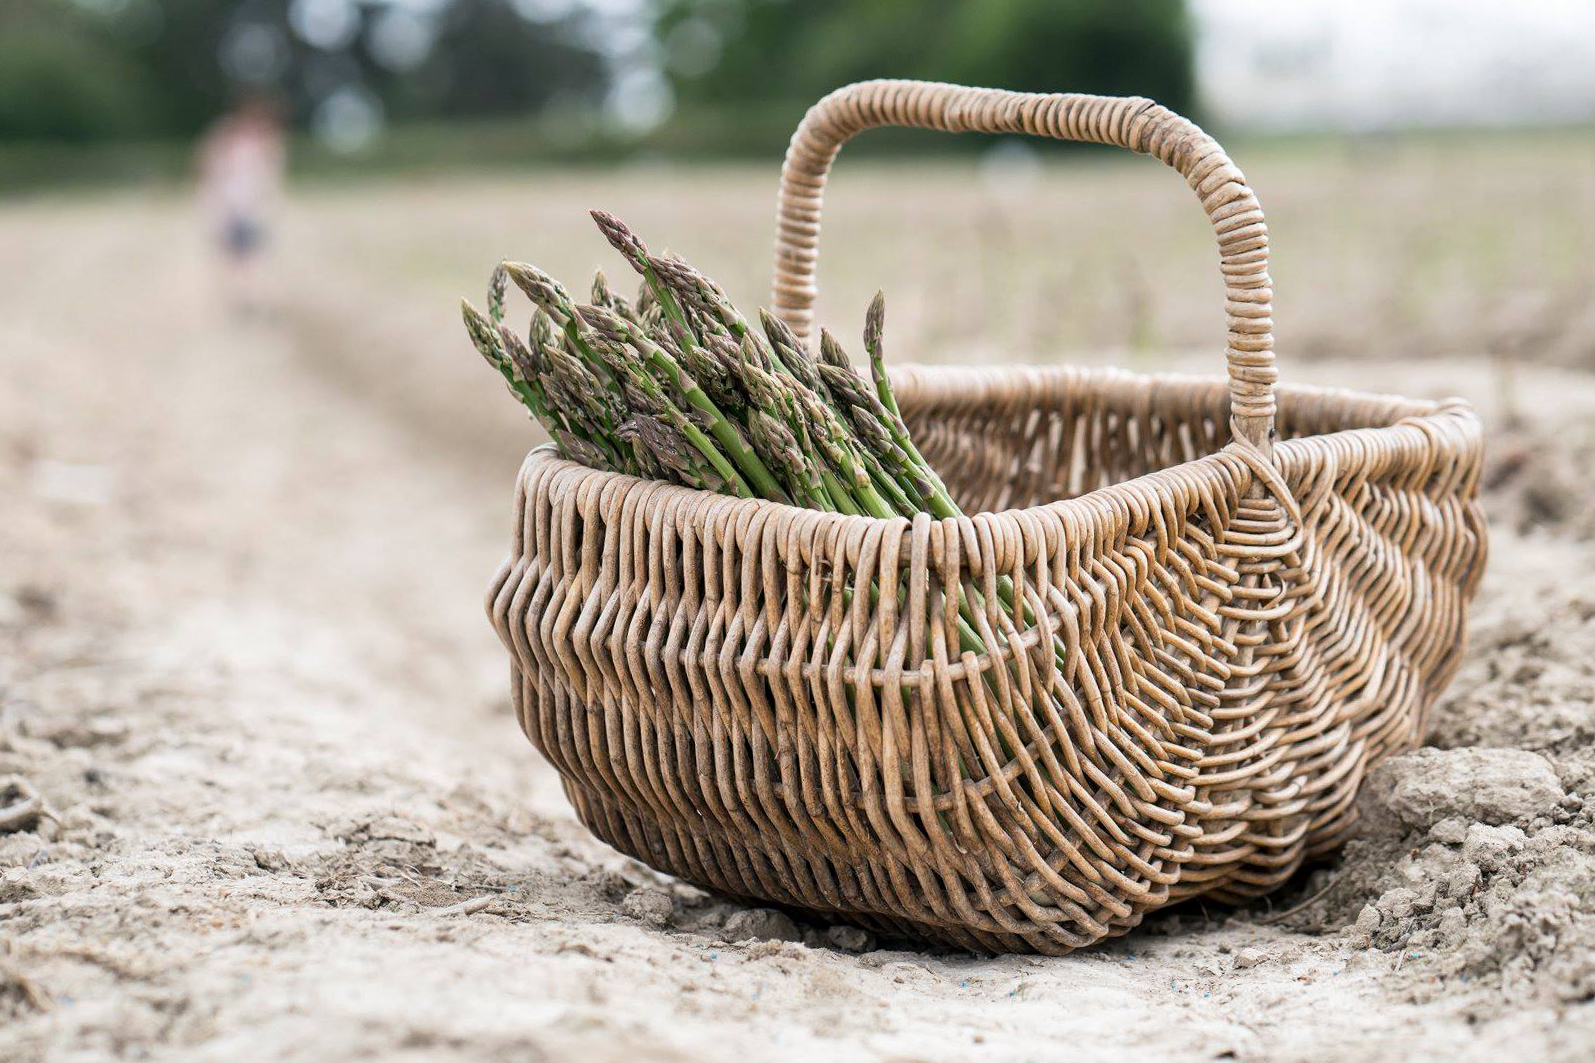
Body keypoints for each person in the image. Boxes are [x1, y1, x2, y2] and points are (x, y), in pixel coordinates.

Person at [196, 96, 286, 316]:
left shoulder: (261, 144)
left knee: (246, 259)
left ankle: (246, 300)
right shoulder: (232, 142)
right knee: (238, 259)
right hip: (232, 209)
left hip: (249, 210)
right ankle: (242, 301)